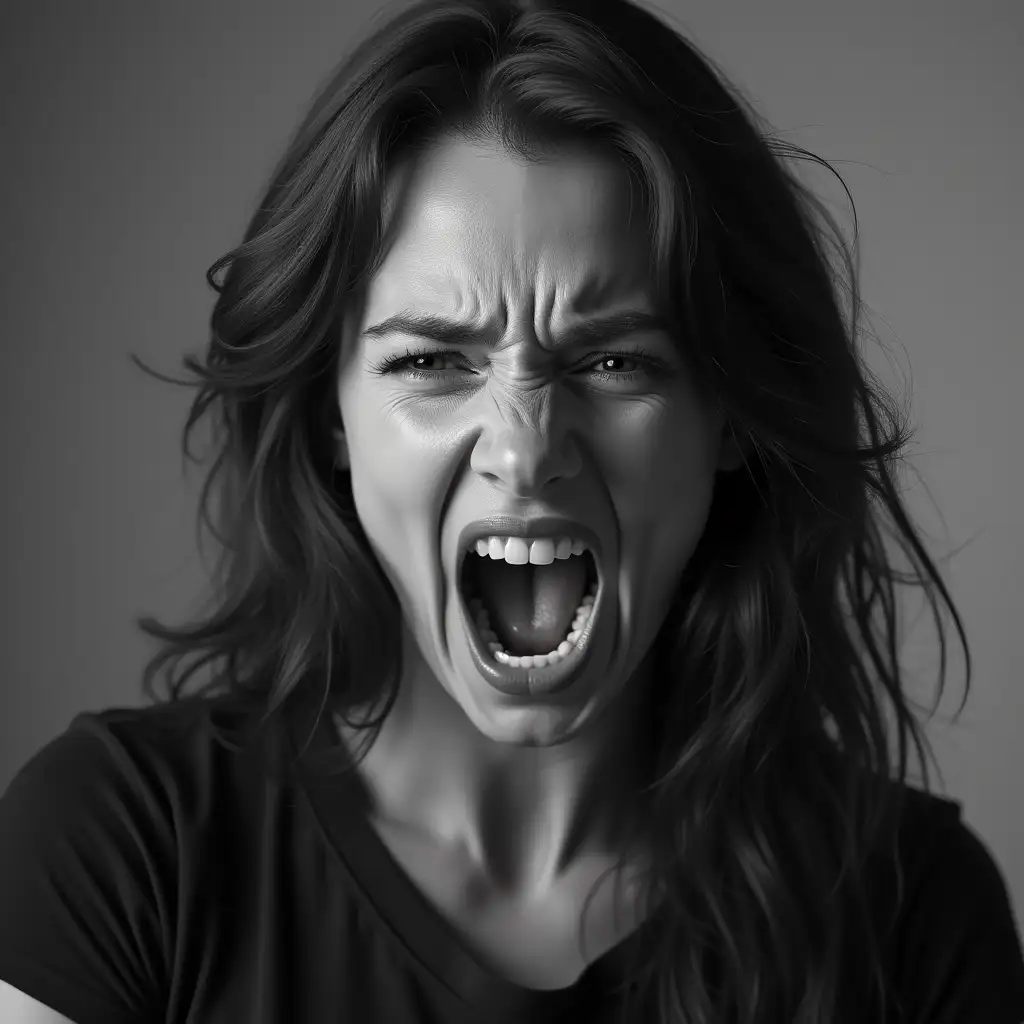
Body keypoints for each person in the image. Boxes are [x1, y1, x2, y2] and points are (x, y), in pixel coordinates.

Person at [2, 0, 1023, 1021]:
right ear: (333, 418)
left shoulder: (912, 915)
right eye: (432, 360)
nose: (524, 451)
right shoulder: (119, 853)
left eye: (614, 359)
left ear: (730, 420)